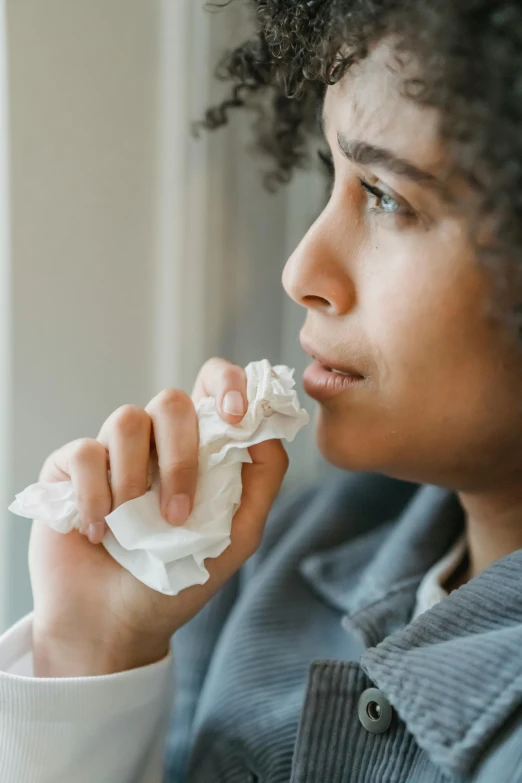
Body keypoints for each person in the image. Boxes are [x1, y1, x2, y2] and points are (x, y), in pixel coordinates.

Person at [2, 0, 522, 780]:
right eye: (333, 176)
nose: (299, 271)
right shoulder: (271, 557)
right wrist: (96, 649)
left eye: (386, 196)